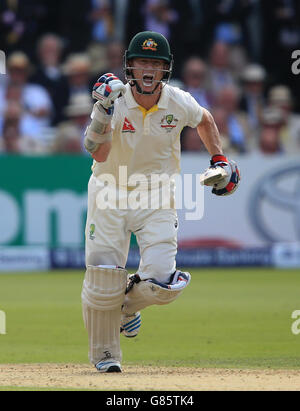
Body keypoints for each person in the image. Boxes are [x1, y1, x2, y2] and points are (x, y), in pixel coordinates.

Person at [81, 31, 240, 373]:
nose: (149, 70)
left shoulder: (177, 100)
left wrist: (219, 159)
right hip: (109, 191)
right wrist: (103, 111)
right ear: (130, 66)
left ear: (166, 68)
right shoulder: (116, 99)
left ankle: (123, 308)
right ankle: (106, 356)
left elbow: (205, 119)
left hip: (156, 197)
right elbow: (98, 150)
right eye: (143, 62)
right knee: (102, 278)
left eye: (156, 63)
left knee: (164, 283)